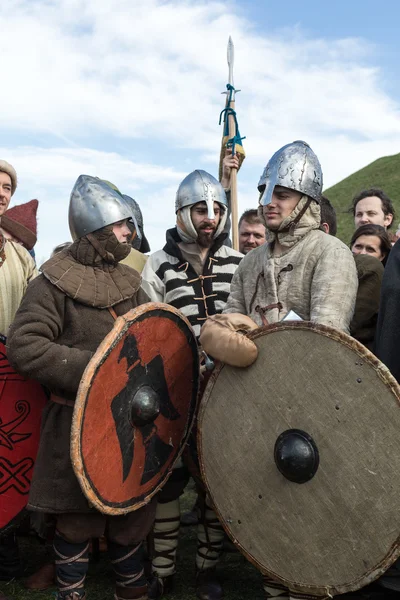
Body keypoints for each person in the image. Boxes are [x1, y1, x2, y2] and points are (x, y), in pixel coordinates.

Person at [206, 141, 358, 600]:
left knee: (308, 509)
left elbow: (325, 336)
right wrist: (225, 334)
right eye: (264, 190)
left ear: (307, 201)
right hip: (256, 399)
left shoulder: (330, 253)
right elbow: (231, 316)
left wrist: (259, 332)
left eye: (283, 193)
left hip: (314, 403)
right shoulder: (250, 261)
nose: (269, 201)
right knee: (267, 506)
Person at [7, 176, 156, 600]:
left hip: (128, 417)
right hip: (76, 418)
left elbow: (153, 336)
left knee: (129, 514)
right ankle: (70, 593)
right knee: (76, 520)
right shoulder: (52, 283)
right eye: (122, 225)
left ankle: (132, 590)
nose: (129, 233)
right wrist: (93, 370)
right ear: (97, 229)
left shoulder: (130, 282)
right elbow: (25, 344)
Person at [141, 169, 242, 600]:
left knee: (215, 480)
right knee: (169, 479)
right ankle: (162, 570)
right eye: (201, 208)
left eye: (217, 208)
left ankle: (206, 569)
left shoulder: (240, 261)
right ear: (183, 212)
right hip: (174, 390)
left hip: (228, 389)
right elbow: (148, 329)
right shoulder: (157, 264)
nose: (211, 216)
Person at [320, 197, 384, 353]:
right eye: (358, 246)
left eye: (370, 249)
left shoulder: (372, 269)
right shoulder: (338, 263)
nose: (362, 253)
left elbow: (347, 325)